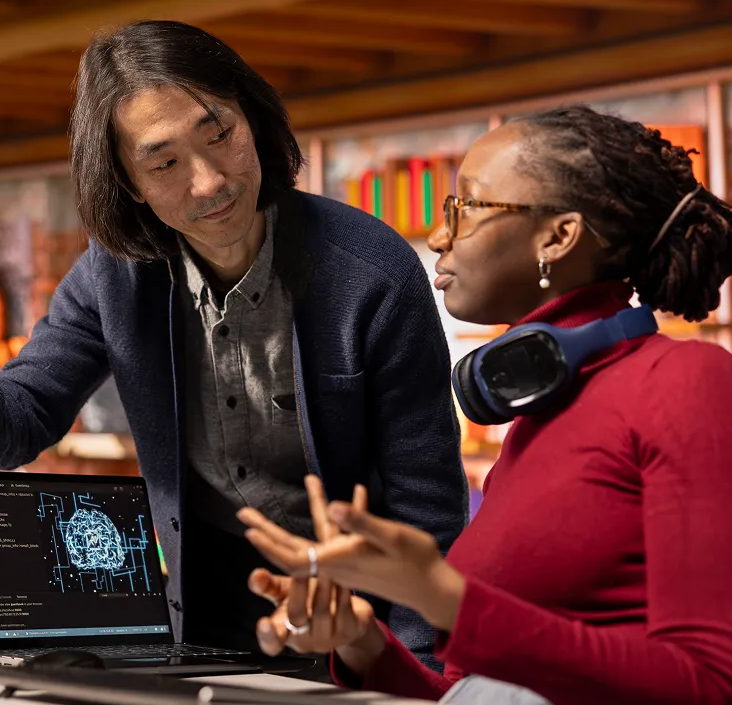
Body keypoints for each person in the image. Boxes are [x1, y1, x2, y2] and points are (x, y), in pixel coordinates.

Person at [0, 20, 468, 660]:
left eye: (220, 134)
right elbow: (22, 419)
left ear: (251, 119)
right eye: (165, 162)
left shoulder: (373, 272)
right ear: (129, 184)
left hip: (361, 615)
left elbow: (428, 504)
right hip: (210, 617)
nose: (209, 182)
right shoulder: (113, 276)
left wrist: (415, 673)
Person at [238, 105, 732, 704]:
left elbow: (707, 683)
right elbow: (473, 691)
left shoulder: (686, 380)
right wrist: (364, 642)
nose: (441, 236)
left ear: (558, 236)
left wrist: (444, 597)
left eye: (465, 207)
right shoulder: (536, 418)